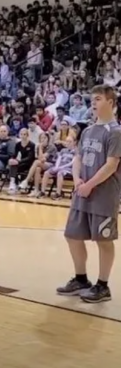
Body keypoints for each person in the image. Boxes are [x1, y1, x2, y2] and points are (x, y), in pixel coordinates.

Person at [57, 84, 120, 304]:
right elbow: (78, 158)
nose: (93, 103)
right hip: (82, 192)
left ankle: (102, 286)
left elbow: (111, 165)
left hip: (103, 195)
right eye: (92, 99)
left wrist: (90, 185)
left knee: (103, 241)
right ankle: (81, 279)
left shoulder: (115, 132)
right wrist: (76, 180)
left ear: (111, 103)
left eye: (99, 99)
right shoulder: (88, 130)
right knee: (72, 235)